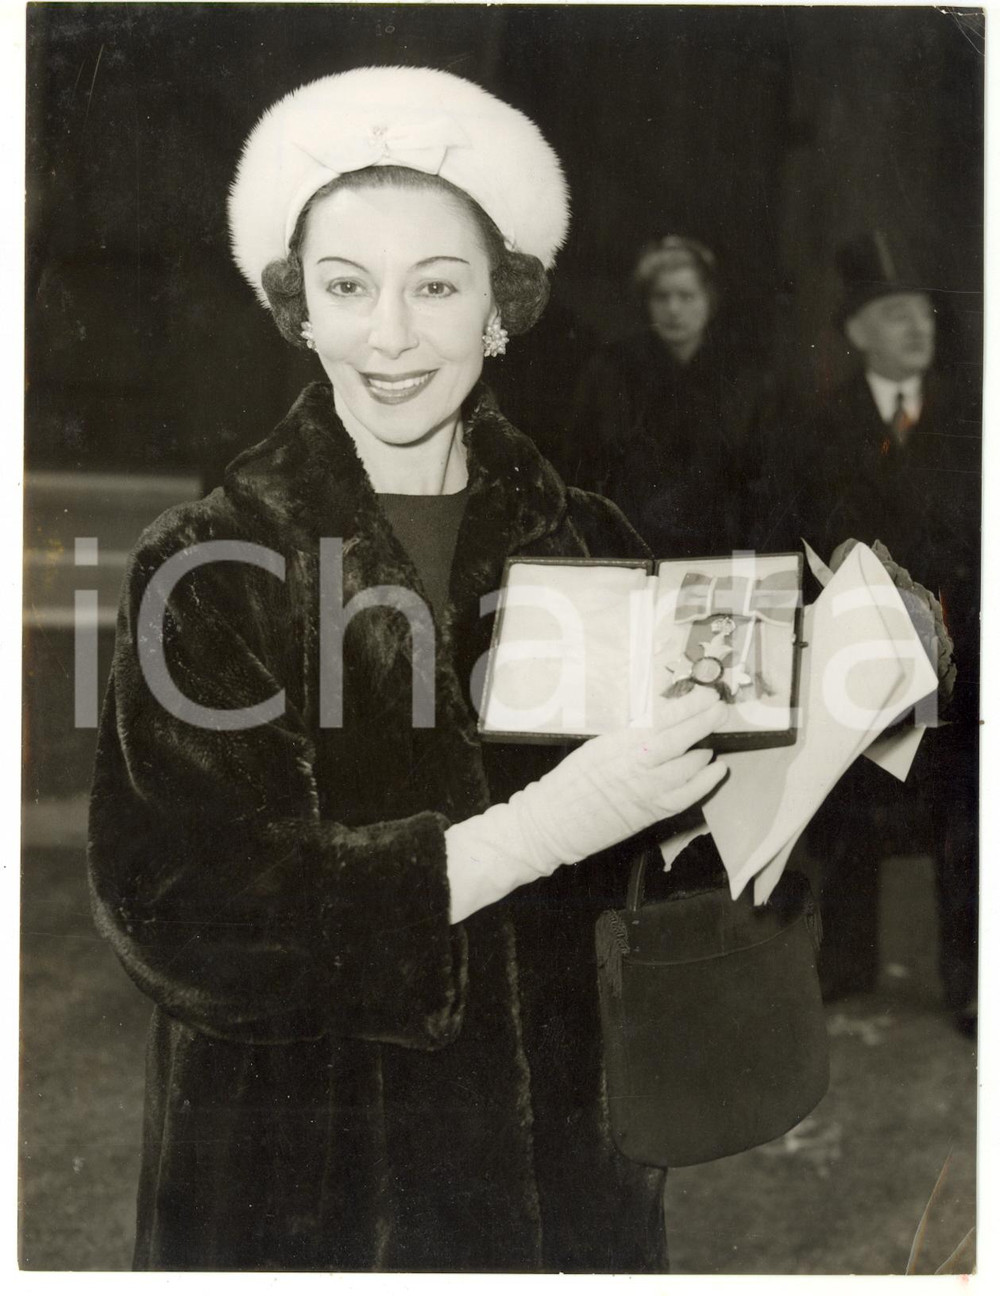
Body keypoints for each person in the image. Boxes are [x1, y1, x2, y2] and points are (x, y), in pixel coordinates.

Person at [87, 67, 731, 1272]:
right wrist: (544, 824)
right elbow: (183, 909)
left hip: (565, 1192)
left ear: (501, 307)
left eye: (436, 286)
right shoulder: (215, 562)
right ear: (301, 312)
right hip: (307, 1191)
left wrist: (824, 711)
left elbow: (679, 852)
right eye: (347, 288)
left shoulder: (582, 538)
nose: (388, 335)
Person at [792, 232, 980, 1032]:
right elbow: (797, 527)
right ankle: (849, 962)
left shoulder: (971, 415)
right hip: (859, 642)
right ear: (858, 332)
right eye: (895, 315)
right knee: (851, 796)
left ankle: (971, 982)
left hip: (962, 644)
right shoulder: (818, 425)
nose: (918, 328)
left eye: (923, 316)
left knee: (968, 810)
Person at [565, 235, 766, 559]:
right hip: (633, 548)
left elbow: (757, 486)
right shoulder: (612, 371)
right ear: (647, 303)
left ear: (710, 300)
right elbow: (587, 470)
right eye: (662, 297)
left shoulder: (743, 377)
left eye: (686, 296)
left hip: (719, 552)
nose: (674, 309)